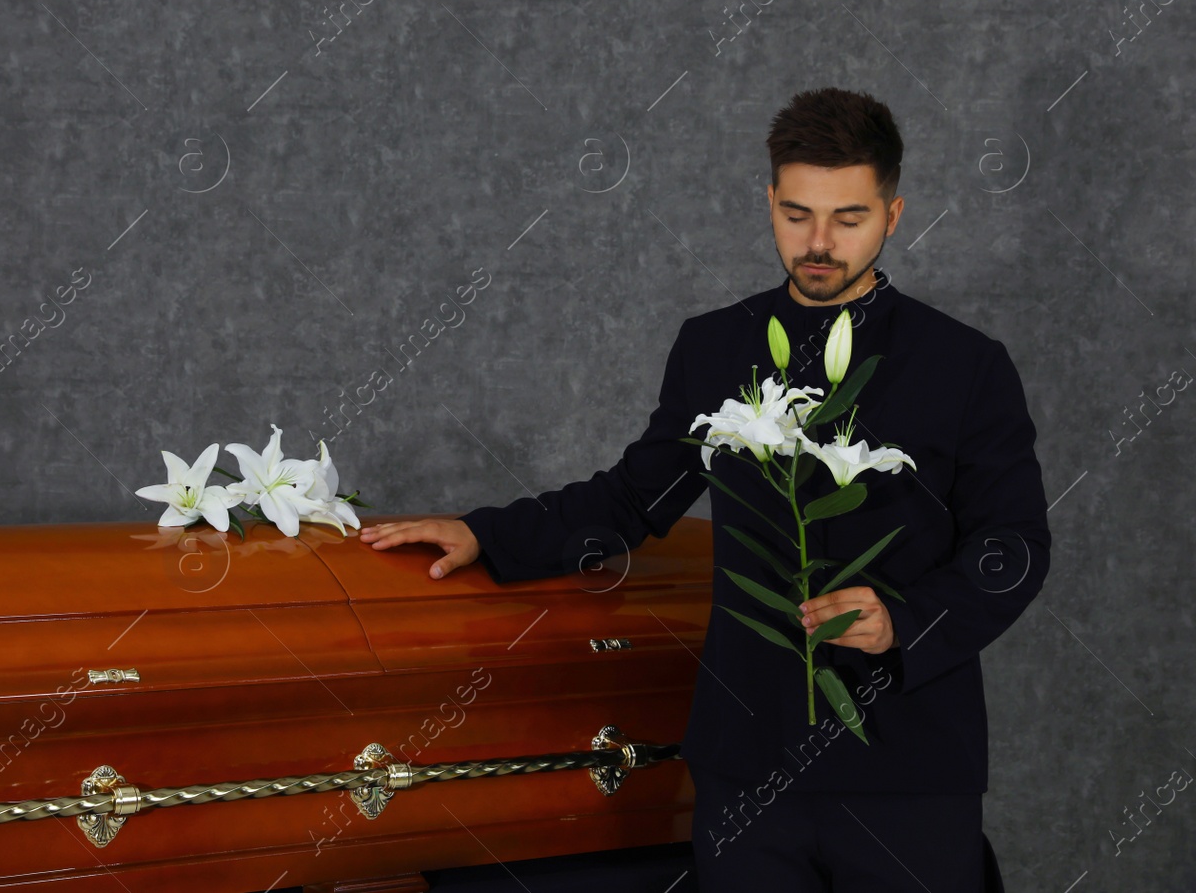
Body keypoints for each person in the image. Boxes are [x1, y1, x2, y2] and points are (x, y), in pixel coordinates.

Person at [358, 87, 1048, 891]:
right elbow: (631, 500)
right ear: (768, 203)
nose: (818, 242)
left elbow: (1014, 547)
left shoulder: (967, 364)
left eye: (848, 218)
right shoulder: (713, 347)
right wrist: (487, 533)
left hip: (911, 763)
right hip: (748, 765)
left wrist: (903, 620)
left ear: (894, 214)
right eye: (796, 214)